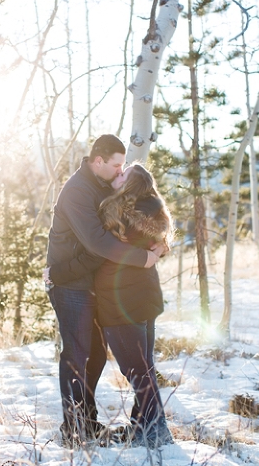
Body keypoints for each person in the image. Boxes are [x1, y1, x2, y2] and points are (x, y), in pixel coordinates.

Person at [46, 134, 164, 448]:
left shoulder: (102, 183)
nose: (119, 170)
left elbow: (132, 222)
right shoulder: (77, 192)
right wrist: (144, 257)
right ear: (98, 162)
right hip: (71, 284)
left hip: (92, 283)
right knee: (76, 355)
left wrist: (156, 239)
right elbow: (99, 243)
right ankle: (74, 431)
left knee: (95, 356)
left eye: (122, 166)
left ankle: (87, 423)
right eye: (116, 165)